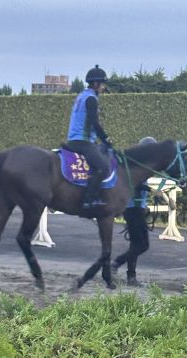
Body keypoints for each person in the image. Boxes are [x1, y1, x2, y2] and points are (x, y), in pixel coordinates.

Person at [111, 136, 164, 286]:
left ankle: (131, 277)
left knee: (135, 245)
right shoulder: (135, 166)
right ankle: (115, 264)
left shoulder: (141, 165)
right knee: (142, 245)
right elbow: (136, 184)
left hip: (136, 207)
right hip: (132, 208)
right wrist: (154, 190)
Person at [66, 65, 113, 210]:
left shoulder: (81, 95)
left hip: (74, 139)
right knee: (104, 167)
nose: (103, 88)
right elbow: (94, 122)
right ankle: (89, 200)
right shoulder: (91, 99)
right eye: (102, 84)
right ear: (96, 84)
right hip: (83, 141)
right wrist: (106, 138)